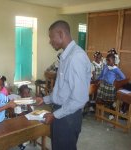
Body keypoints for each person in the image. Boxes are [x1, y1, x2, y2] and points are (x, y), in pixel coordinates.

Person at [35, 20, 91, 150]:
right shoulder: (66, 56)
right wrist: (44, 99)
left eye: (51, 37)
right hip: (61, 112)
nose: (50, 41)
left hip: (68, 117)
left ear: (61, 34)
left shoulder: (76, 57)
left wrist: (55, 115)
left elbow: (79, 100)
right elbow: (62, 89)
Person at [96, 53, 125, 120]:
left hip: (111, 87)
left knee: (111, 101)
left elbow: (123, 78)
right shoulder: (106, 66)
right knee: (100, 98)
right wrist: (99, 80)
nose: (108, 62)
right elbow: (102, 75)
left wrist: (116, 81)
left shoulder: (116, 69)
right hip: (103, 86)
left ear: (114, 61)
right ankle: (100, 111)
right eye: (107, 60)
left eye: (109, 60)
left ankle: (112, 112)